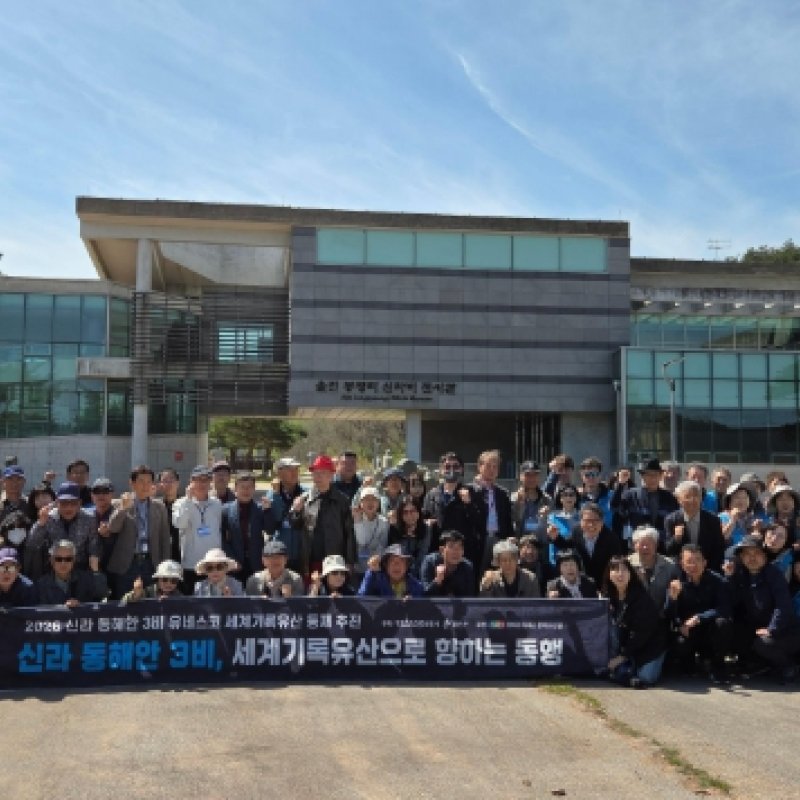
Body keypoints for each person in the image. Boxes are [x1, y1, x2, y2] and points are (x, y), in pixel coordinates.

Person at [730, 535, 800, 683]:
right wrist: (729, 577)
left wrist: (772, 629)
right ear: (741, 558)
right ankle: (758, 664)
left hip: (784, 630)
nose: (752, 558)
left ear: (764, 556)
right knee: (732, 630)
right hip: (756, 626)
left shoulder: (774, 574)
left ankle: (788, 666)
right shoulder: (740, 574)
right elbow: (732, 601)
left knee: (764, 643)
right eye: (747, 554)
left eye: (756, 553)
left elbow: (783, 606)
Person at [666, 544, 733, 683]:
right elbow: (668, 614)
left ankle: (717, 665)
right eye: (689, 561)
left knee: (723, 623)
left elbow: (724, 608)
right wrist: (673, 599)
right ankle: (689, 663)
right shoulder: (676, 582)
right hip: (688, 630)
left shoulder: (717, 580)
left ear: (705, 562)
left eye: (697, 560)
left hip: (709, 628)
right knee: (680, 643)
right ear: (682, 564)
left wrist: (699, 618)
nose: (693, 565)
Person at [106, 465, 172, 599]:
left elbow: (164, 538)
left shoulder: (159, 507)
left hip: (151, 562)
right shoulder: (119, 503)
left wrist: (165, 566)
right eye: (141, 481)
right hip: (127, 563)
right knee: (126, 601)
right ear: (132, 483)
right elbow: (113, 528)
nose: (145, 486)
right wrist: (123, 509)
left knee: (150, 601)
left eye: (149, 482)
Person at [289, 455, 356, 582]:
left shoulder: (342, 501)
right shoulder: (304, 499)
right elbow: (295, 525)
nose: (318, 477)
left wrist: (350, 561)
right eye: (315, 473)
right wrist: (296, 511)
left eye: (322, 473)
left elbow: (349, 533)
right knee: (312, 591)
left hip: (335, 560)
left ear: (331, 475)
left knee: (333, 591)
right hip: (310, 559)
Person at [603, 555, 667, 687]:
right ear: (609, 574)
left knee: (645, 677)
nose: (620, 574)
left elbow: (641, 633)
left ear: (631, 573)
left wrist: (621, 657)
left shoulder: (641, 598)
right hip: (626, 644)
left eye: (624, 569)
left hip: (649, 643)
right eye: (615, 569)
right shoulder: (608, 596)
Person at [25, 482, 99, 579]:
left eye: (73, 503)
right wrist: (40, 524)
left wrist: (94, 569)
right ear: (57, 503)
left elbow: (94, 546)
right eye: (64, 503)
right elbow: (32, 544)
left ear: (79, 503)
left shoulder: (89, 519)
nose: (68, 508)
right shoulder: (49, 517)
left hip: (80, 568)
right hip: (54, 569)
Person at [172, 465, 223, 594]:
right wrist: (188, 501)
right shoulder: (180, 503)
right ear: (191, 481)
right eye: (198, 480)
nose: (201, 484)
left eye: (205, 480)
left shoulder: (217, 504)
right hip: (191, 564)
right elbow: (179, 523)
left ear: (210, 482)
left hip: (213, 564)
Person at [422, 452, 482, 561]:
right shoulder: (432, 494)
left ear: (461, 470)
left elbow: (479, 522)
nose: (451, 470)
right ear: (441, 470)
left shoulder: (472, 492)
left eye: (455, 466)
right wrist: (427, 522)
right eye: (447, 467)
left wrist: (468, 504)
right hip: (438, 550)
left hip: (463, 552)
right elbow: (424, 519)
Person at [555, 502, 623, 587]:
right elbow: (567, 545)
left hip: (605, 582)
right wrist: (556, 537)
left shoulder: (611, 538)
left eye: (595, 521)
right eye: (587, 521)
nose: (591, 525)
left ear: (602, 522)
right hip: (582, 583)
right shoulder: (577, 531)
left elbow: (616, 564)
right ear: (581, 521)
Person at [665, 480, 726, 572]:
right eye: (688, 496)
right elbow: (669, 550)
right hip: (681, 570)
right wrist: (676, 538)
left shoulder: (713, 520)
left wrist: (706, 570)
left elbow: (719, 549)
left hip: (708, 569)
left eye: (696, 496)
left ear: (701, 498)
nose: (692, 500)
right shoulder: (671, 520)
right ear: (679, 499)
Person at [616, 459, 679, 547]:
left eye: (655, 475)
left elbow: (676, 520)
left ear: (661, 476)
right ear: (642, 476)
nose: (652, 478)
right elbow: (615, 509)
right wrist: (621, 484)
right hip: (638, 545)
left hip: (662, 545)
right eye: (648, 475)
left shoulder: (669, 498)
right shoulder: (631, 495)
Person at [471, 449, 514, 573]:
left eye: (495, 467)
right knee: (479, 574)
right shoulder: (470, 490)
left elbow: (508, 519)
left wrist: (510, 537)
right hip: (479, 540)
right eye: (488, 466)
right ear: (480, 466)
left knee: (499, 574)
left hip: (499, 539)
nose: (492, 470)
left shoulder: (503, 493)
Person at [221, 472, 268, 584]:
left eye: (249, 487)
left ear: (254, 489)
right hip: (235, 563)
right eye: (242, 487)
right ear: (235, 489)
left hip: (256, 563)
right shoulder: (226, 510)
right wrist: (231, 558)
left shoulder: (260, 509)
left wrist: (268, 511)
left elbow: (270, 529)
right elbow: (221, 538)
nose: (246, 490)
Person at [35, 539, 107, 605]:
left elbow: (102, 593)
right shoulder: (41, 585)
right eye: (58, 559)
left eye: (68, 559)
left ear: (74, 560)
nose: (63, 563)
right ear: (51, 560)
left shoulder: (85, 579)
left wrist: (95, 571)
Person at [265, 457, 305, 573]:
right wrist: (277, 495)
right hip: (280, 553)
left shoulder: (305, 493)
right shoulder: (271, 495)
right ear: (279, 473)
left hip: (301, 552)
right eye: (290, 470)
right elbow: (275, 521)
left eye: (296, 469)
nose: (294, 473)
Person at [629, 525, 679, 615]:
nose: (645, 547)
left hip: (661, 616)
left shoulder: (670, 565)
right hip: (634, 616)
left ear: (656, 545)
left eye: (649, 544)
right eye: (642, 544)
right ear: (634, 546)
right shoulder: (627, 565)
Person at [358, 543, 425, 598]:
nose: (396, 565)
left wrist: (413, 604)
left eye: (401, 561)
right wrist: (371, 572)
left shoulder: (416, 586)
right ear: (386, 565)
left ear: (407, 565)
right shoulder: (374, 579)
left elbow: (420, 607)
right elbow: (361, 599)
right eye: (392, 561)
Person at [420, 530, 475, 598]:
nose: (456, 552)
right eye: (451, 547)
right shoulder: (430, 562)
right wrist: (437, 580)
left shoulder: (467, 567)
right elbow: (424, 596)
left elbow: (469, 598)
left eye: (459, 547)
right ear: (442, 550)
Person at [387, 494, 430, 579]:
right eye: (405, 512)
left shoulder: (426, 528)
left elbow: (422, 554)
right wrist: (407, 538)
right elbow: (398, 555)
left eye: (412, 511)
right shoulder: (394, 529)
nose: (409, 515)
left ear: (418, 512)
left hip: (420, 572)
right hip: (399, 572)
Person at [352, 486, 390, 580]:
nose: (370, 503)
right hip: (356, 568)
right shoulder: (353, 520)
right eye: (366, 499)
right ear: (360, 503)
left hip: (375, 566)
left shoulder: (384, 522)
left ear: (378, 503)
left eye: (374, 499)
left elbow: (383, 545)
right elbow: (361, 541)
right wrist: (358, 521)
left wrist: (375, 561)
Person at [544, 485, 580, 573]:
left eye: (571, 494)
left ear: (576, 498)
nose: (568, 497)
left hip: (576, 562)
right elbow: (548, 538)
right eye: (565, 495)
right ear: (560, 498)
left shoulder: (582, 517)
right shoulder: (552, 517)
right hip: (556, 561)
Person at [511, 461, 551, 539]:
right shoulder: (513, 499)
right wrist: (518, 504)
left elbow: (552, 524)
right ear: (521, 476)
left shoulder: (547, 499)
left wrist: (546, 517)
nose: (531, 479)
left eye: (535, 475)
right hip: (520, 542)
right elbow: (510, 523)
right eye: (528, 475)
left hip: (541, 543)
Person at [88, 477, 116, 574]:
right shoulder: (85, 515)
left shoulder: (119, 515)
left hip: (115, 568)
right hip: (89, 568)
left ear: (112, 494)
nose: (101, 495)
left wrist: (108, 536)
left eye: (105, 491)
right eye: (97, 491)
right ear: (92, 495)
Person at [718, 482, 758, 548]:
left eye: (745, 497)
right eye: (737, 497)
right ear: (729, 501)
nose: (741, 500)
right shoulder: (721, 517)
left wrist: (756, 531)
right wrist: (732, 521)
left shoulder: (751, 519)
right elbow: (720, 538)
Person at [577, 457, 613, 529]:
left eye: (594, 474)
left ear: (600, 475)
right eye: (587, 475)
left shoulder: (612, 496)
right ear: (581, 476)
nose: (591, 478)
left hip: (608, 535)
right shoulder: (575, 497)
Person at [157, 468, 182, 563]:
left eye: (171, 480)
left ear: (178, 483)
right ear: (160, 485)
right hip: (162, 556)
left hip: (182, 555)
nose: (168, 484)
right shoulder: (156, 506)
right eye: (165, 481)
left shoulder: (185, 504)